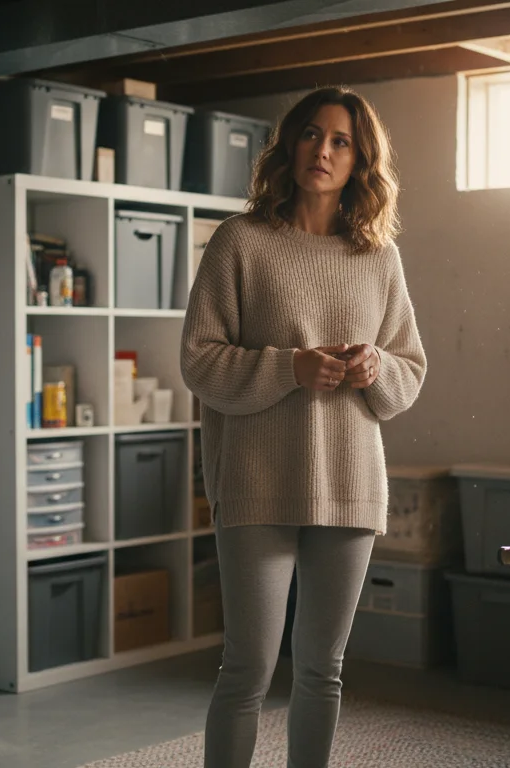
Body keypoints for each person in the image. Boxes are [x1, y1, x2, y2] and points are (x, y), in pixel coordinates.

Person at [179, 86, 427, 768]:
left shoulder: (379, 257)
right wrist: (292, 366)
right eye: (313, 134)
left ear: (359, 160)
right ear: (290, 144)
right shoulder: (241, 241)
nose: (324, 150)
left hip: (348, 484)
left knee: (323, 669)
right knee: (247, 668)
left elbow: (410, 368)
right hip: (258, 482)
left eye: (341, 141)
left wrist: (374, 365)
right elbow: (199, 361)